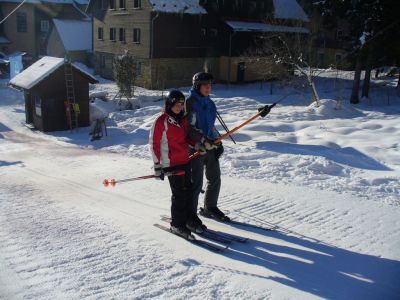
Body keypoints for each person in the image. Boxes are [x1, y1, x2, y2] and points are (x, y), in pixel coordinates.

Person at [185, 72, 229, 233]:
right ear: (197, 86)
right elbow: (190, 128)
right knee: (195, 184)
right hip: (195, 147)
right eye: (205, 85)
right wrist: (203, 140)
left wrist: (218, 142)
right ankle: (190, 217)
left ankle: (210, 207)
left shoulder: (210, 104)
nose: (208, 88)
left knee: (214, 177)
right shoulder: (190, 103)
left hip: (210, 146)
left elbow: (211, 126)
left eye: (210, 85)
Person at [149, 90, 194, 240]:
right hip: (171, 164)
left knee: (189, 192)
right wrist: (157, 165)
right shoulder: (161, 120)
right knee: (179, 195)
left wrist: (198, 144)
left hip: (185, 160)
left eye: (181, 104)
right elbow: (154, 143)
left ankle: (186, 220)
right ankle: (177, 225)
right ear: (169, 104)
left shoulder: (182, 119)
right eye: (176, 104)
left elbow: (186, 138)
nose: (179, 107)